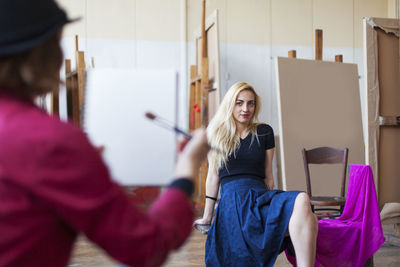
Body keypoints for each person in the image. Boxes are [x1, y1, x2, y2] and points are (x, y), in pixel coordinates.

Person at [0, 1, 209, 267]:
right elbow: (146, 246)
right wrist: (186, 170)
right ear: (43, 52)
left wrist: (81, 167)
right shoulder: (49, 141)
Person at [194, 82, 318, 267]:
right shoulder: (216, 133)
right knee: (312, 219)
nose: (246, 108)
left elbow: (269, 174)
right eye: (239, 103)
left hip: (260, 197)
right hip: (232, 202)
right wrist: (207, 216)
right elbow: (213, 176)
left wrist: (271, 208)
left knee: (302, 200)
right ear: (230, 104)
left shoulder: (264, 131)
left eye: (250, 103)